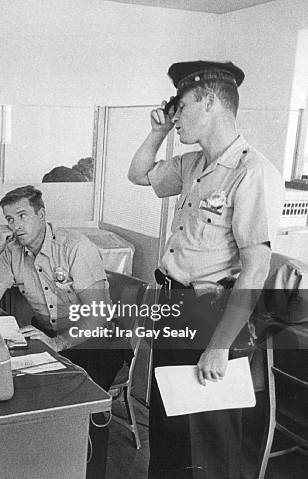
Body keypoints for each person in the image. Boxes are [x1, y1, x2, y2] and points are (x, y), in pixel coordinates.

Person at [128, 61, 284, 478]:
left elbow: (254, 270)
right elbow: (139, 173)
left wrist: (219, 345)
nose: (175, 116)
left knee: (209, 440)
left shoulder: (253, 172)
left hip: (211, 315)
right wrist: (159, 131)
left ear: (210, 101)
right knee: (169, 427)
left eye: (179, 106)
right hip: (174, 307)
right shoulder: (193, 164)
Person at [0, 185, 128, 478]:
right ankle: (42, 465)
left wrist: (57, 343)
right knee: (16, 385)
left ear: (41, 214)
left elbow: (99, 315)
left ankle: (87, 470)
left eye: (22, 215)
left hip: (97, 340)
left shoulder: (74, 247)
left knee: (79, 403)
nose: (15, 225)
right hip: (50, 336)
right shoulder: (12, 252)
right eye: (9, 219)